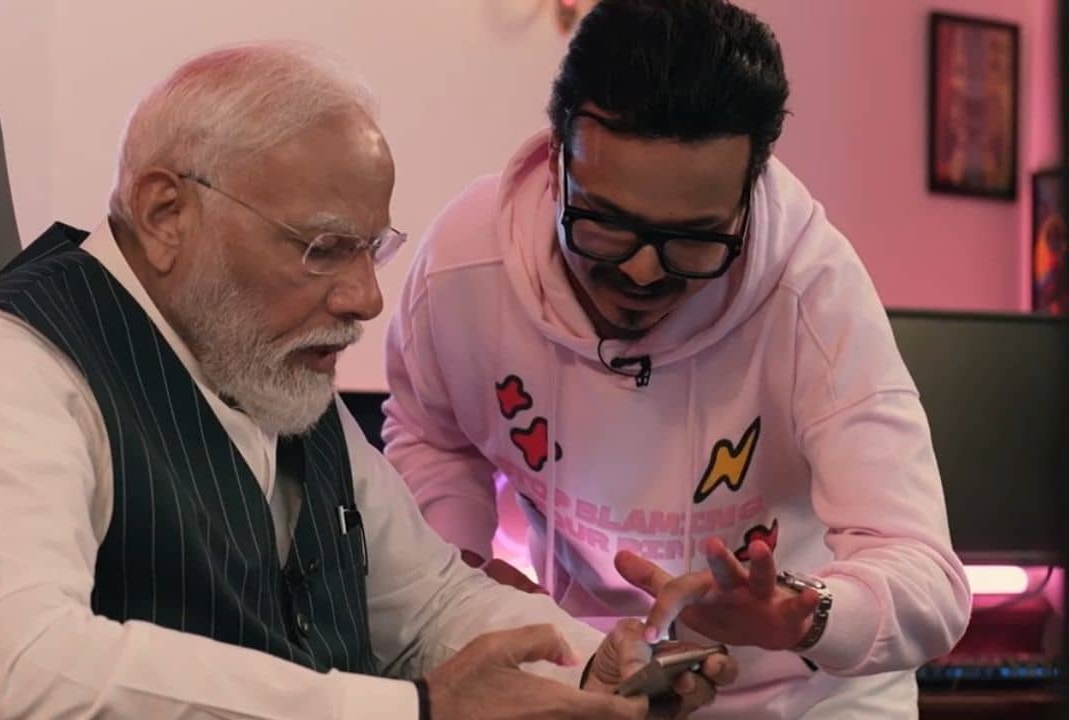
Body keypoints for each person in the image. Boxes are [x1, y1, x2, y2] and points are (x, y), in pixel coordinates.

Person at [0, 43, 735, 719]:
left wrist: (589, 670)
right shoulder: (4, 363)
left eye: (369, 248)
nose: (365, 298)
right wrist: (411, 711)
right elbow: (13, 668)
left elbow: (428, 604)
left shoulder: (270, 363)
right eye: (322, 248)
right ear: (166, 213)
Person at [381, 1, 972, 717]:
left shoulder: (813, 292)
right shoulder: (465, 265)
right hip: (593, 672)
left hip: (808, 695)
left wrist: (802, 614)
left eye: (694, 238)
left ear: (749, 193)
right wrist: (461, 575)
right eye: (604, 224)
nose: (640, 271)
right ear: (557, 159)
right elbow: (432, 436)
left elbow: (929, 582)